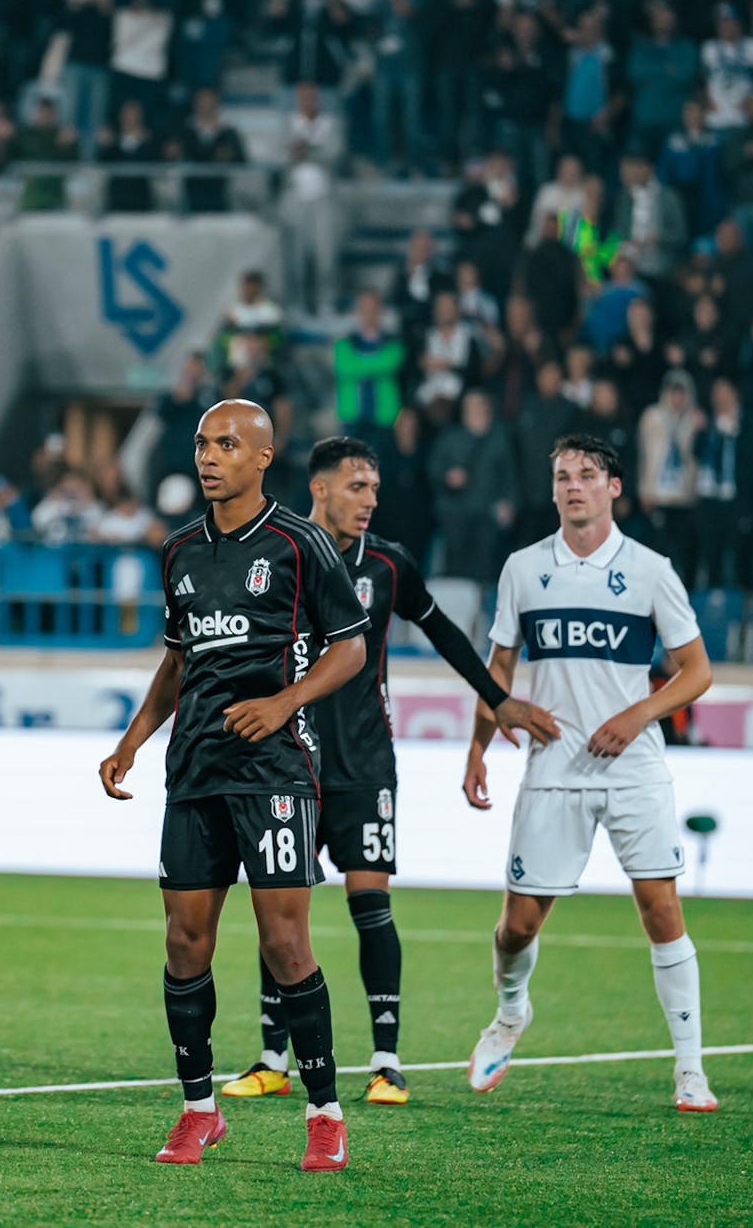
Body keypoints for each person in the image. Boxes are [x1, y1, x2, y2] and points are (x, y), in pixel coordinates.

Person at [220, 437, 558, 1107]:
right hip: (290, 761)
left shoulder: (388, 565)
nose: (371, 500)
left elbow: (446, 636)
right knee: (281, 912)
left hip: (365, 763)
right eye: (357, 487)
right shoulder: (278, 554)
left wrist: (498, 702)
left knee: (370, 906)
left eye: (375, 488)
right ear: (319, 490)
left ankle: (386, 1060)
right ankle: (270, 1057)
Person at [99, 399, 368, 1171]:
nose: (209, 457)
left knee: (286, 943)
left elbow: (348, 650)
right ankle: (198, 1110)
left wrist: (284, 703)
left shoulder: (299, 544)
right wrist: (131, 742)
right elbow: (179, 660)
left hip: (277, 770)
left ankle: (323, 1113)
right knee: (185, 941)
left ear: (262, 457)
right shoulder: (180, 549)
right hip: (195, 770)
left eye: (226, 444)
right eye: (201, 444)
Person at [463, 434, 718, 1113]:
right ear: (552, 490)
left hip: (633, 767)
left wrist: (639, 715)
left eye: (587, 474)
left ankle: (690, 1069)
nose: (574, 485)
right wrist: (477, 748)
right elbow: (499, 671)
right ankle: (512, 1013)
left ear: (614, 488)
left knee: (661, 911)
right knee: (517, 926)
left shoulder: (650, 570)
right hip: (552, 767)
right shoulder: (522, 569)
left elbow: (697, 671)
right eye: (562, 475)